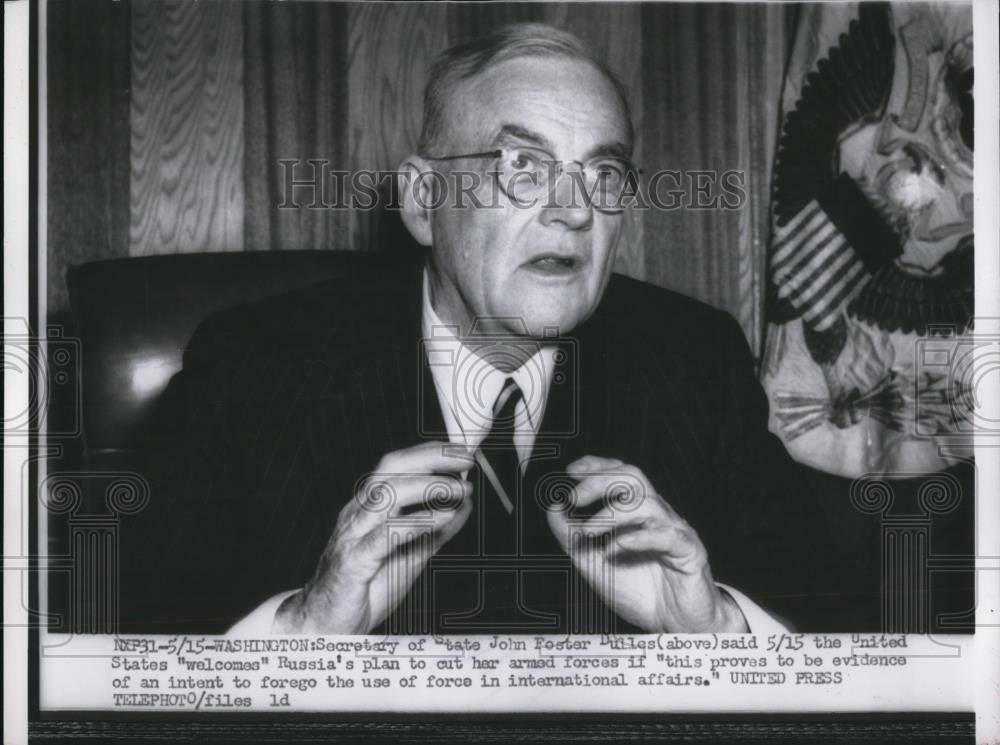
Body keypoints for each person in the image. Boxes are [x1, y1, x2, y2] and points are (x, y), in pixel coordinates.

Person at [120, 23, 856, 636]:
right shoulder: (253, 364)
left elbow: (842, 640)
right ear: (420, 200)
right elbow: (122, 654)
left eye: (603, 174)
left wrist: (715, 631)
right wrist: (305, 632)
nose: (574, 209)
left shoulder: (696, 357)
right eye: (522, 166)